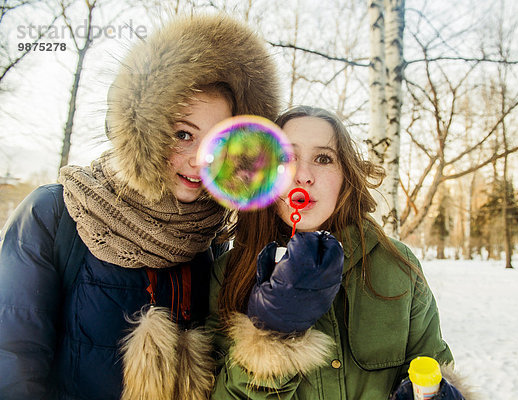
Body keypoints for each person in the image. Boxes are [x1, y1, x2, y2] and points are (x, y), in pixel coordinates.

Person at [0, 14, 280, 400]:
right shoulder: (55, 213)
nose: (201, 160)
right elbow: (12, 359)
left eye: (219, 141)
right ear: (145, 131)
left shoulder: (213, 238)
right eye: (183, 134)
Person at [207, 106, 474, 399]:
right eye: (287, 158)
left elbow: (432, 367)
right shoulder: (229, 273)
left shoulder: (398, 265)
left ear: (346, 175)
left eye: (323, 158)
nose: (304, 175)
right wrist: (273, 337)